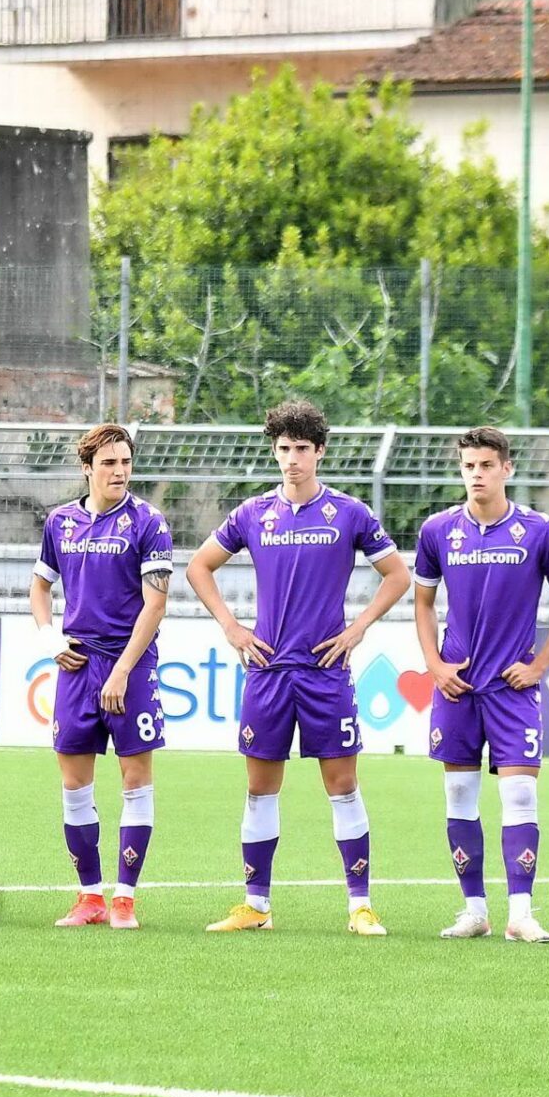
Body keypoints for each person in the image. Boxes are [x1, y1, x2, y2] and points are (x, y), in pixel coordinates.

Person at [186, 400, 411, 936]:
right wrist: (232, 628)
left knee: (343, 784)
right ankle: (256, 905)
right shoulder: (252, 514)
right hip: (267, 672)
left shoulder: (349, 514)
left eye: (302, 449)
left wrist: (357, 630)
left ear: (320, 452)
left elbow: (398, 575)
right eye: (283, 449)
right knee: (260, 788)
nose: (292, 460)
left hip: (324, 672)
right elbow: (198, 567)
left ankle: (360, 905)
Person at [411, 426, 549, 943]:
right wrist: (434, 665)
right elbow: (421, 602)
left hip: (512, 690)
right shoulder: (438, 530)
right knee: (460, 793)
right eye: (469, 466)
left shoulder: (538, 530)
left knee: (520, 795)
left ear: (507, 468)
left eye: (487, 465)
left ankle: (521, 913)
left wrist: (539, 667)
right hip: (457, 688)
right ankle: (473, 911)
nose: (477, 475)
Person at [28, 423, 172, 929]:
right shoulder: (60, 522)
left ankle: (125, 899)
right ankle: (89, 896)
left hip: (129, 667)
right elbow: (40, 589)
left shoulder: (148, 521)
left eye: (126, 462)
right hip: (77, 666)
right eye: (109, 463)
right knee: (74, 785)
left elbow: (155, 603)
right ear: (86, 468)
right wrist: (50, 640)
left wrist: (124, 671)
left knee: (136, 781)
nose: (120, 471)